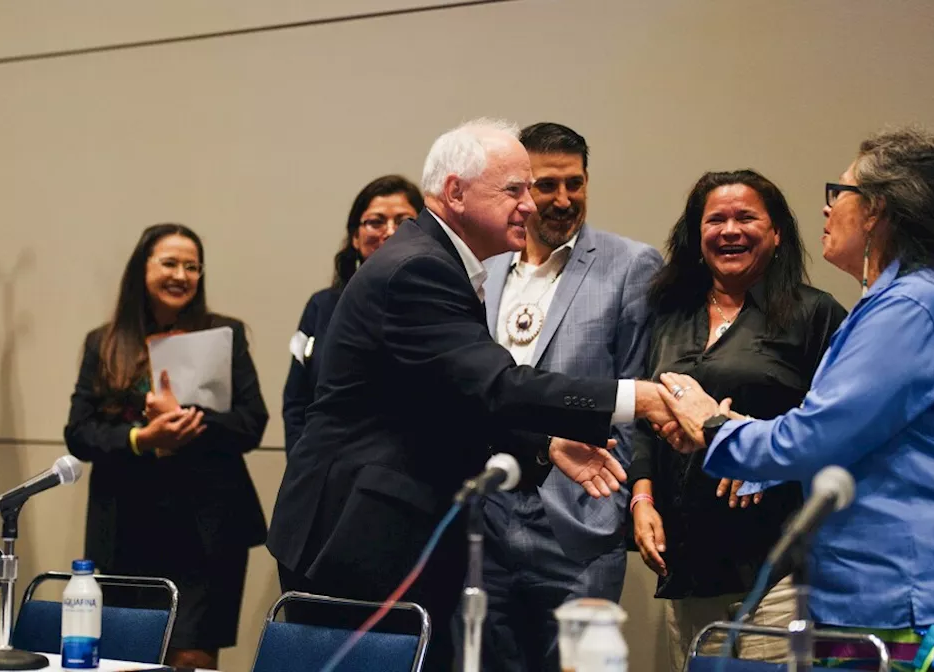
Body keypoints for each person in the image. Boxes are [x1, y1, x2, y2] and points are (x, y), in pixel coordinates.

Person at [266, 118, 673, 668]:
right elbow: (499, 385)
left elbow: (449, 397)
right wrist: (638, 398)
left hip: (379, 530)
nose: (529, 205)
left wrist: (544, 444)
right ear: (455, 191)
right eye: (514, 190)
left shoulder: (439, 261)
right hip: (358, 536)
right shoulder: (419, 269)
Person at [657, 128, 934, 670]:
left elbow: (816, 436)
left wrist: (714, 424)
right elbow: (847, 437)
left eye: (841, 191)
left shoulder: (909, 309)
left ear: (875, 211)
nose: (827, 209)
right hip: (881, 592)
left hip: (917, 596)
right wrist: (752, 453)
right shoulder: (889, 305)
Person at [626, 170, 846, 669]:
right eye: (715, 219)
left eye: (746, 217)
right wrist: (641, 498)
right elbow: (644, 419)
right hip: (687, 561)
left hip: (778, 566)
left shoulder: (816, 315)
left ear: (776, 233)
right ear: (695, 234)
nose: (730, 230)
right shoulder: (667, 314)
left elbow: (837, 431)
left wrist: (753, 445)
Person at [469, 122, 662, 670]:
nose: (561, 200)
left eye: (574, 184)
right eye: (546, 185)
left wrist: (610, 504)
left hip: (579, 521)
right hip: (486, 517)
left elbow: (636, 395)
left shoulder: (631, 266)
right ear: (519, 189)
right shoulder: (483, 269)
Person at [64, 223, 268, 670]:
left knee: (190, 658)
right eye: (170, 263)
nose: (182, 275)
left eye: (192, 267)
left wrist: (189, 421)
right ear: (142, 269)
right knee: (126, 656)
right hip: (127, 529)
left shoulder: (225, 335)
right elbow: (79, 433)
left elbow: (252, 423)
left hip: (207, 531)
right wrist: (143, 439)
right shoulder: (105, 342)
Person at [282, 175, 423, 450]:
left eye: (404, 222)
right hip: (326, 470)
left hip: (406, 475)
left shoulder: (440, 305)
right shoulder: (321, 307)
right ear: (356, 238)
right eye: (376, 222)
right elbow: (296, 402)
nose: (391, 232)